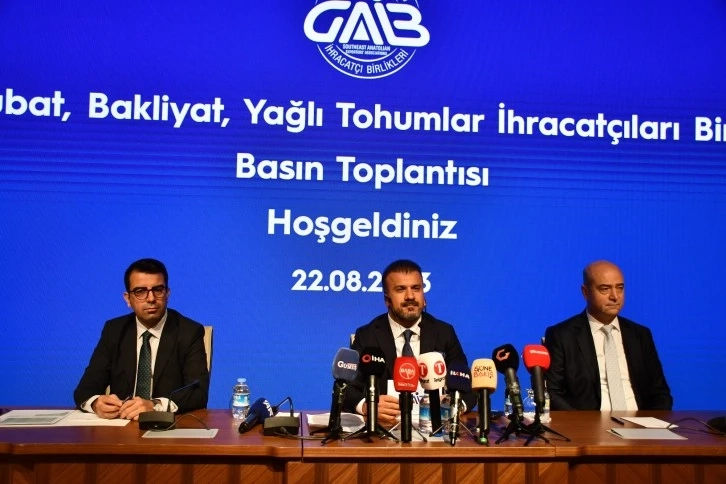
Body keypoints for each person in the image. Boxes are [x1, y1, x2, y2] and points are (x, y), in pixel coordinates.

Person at [343, 259, 477, 424]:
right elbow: (346, 389)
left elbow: (467, 386)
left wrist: (455, 405)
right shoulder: (367, 335)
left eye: (416, 288)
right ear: (387, 300)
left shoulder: (444, 333)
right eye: (400, 289)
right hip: (386, 427)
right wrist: (367, 406)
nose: (410, 296)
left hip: (434, 426)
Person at [74, 258, 209, 420]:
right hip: (120, 425)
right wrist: (96, 403)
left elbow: (198, 393)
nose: (151, 298)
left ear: (167, 293)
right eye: (140, 291)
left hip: (167, 427)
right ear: (127, 298)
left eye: (158, 290)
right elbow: (85, 389)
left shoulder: (189, 332)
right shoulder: (114, 331)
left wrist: (154, 405)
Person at [544, 260, 672, 411]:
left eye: (620, 288)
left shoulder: (640, 335)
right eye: (605, 289)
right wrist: (582, 423)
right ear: (585, 292)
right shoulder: (562, 335)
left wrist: (652, 422)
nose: (615, 296)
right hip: (588, 422)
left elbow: (660, 392)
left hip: (639, 421)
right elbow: (552, 392)